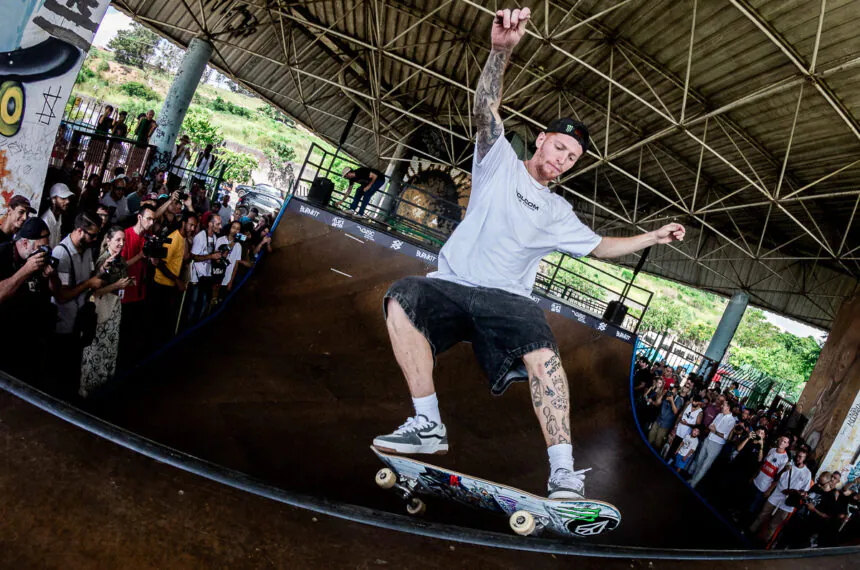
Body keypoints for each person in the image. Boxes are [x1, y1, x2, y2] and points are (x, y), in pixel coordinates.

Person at [371, 7, 686, 500]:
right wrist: (500, 52)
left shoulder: (559, 210)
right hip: (451, 285)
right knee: (400, 296)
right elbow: (484, 109)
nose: (561, 160)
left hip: (507, 300)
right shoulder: (499, 161)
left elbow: (600, 247)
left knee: (545, 356)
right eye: (558, 147)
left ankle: (562, 472)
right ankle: (427, 423)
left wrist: (650, 237)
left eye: (571, 158)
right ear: (541, 139)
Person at [51, 212, 105, 398]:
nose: (95, 239)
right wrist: (89, 284)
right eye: (92, 234)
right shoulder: (62, 253)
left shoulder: (87, 249)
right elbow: (62, 295)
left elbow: (89, 275)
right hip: (62, 326)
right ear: (80, 231)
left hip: (78, 325)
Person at [0, 218, 61, 381]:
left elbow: (57, 292)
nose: (43, 252)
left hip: (33, 338)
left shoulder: (42, 256)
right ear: (25, 243)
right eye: (40, 248)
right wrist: (25, 270)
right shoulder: (3, 255)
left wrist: (52, 276)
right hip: (6, 339)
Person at [79, 227, 134, 397]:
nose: (121, 243)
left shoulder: (120, 259)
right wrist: (117, 286)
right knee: (97, 351)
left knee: (109, 351)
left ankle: (102, 387)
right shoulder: (102, 261)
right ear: (108, 240)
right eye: (118, 240)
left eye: (123, 240)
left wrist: (125, 283)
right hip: (101, 311)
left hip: (114, 309)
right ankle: (88, 390)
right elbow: (95, 291)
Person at [119, 204, 156, 368]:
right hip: (124, 294)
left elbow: (154, 262)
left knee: (133, 335)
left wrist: (153, 256)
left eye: (153, 220)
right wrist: (140, 256)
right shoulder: (125, 236)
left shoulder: (149, 237)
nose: (151, 223)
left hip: (140, 292)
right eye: (148, 219)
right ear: (139, 218)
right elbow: (119, 266)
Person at [750, 450, 812, 546]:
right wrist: (784, 470)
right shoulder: (788, 464)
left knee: (774, 524)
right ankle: (750, 531)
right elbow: (776, 477)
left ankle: (762, 543)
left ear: (805, 459)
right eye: (798, 455)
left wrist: (793, 491)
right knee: (762, 514)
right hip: (777, 493)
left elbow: (805, 491)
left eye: (801, 456)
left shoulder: (807, 473)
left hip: (789, 501)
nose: (798, 458)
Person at [151, 212, 197, 340]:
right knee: (158, 321)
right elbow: (160, 263)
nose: (193, 229)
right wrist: (177, 280)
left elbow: (185, 257)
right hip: (161, 285)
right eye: (191, 225)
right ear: (183, 223)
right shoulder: (174, 239)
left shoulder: (182, 238)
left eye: (194, 226)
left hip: (169, 285)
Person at [690, 400, 736, 487]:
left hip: (716, 445)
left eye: (724, 405)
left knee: (705, 466)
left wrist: (715, 431)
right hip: (708, 439)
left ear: (728, 407)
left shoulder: (731, 421)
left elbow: (725, 436)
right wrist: (713, 429)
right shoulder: (719, 414)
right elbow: (711, 425)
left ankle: (693, 484)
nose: (722, 406)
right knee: (699, 460)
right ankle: (692, 479)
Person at [187, 213, 222, 324]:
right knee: (192, 306)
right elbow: (193, 257)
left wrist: (216, 257)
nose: (220, 226)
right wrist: (211, 256)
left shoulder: (215, 237)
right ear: (210, 224)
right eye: (218, 224)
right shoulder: (200, 237)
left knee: (202, 304)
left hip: (206, 276)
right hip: (196, 278)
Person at [649, 383, 682, 451]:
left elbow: (675, 412)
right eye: (671, 388)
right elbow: (657, 403)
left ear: (676, 390)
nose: (671, 390)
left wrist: (672, 400)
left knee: (658, 442)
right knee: (650, 437)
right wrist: (662, 395)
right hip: (658, 420)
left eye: (673, 389)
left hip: (665, 425)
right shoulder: (666, 394)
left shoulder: (678, 400)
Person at [42, 183, 73, 248]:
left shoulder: (59, 216)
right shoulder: (46, 220)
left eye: (68, 198)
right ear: (53, 200)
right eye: (63, 198)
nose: (68, 201)